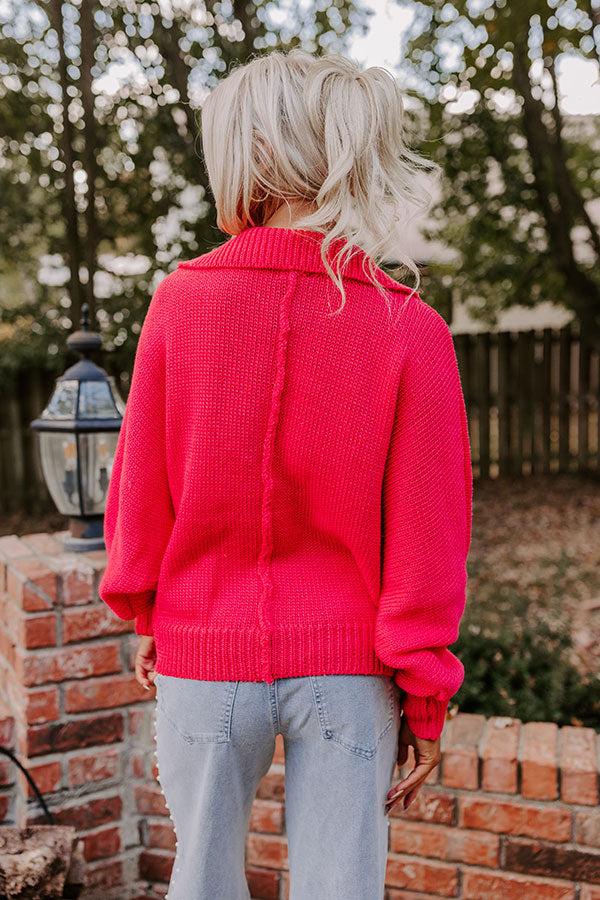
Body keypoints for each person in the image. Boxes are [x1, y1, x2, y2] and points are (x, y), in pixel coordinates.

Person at [98, 48, 473, 900]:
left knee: (200, 883)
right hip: (350, 670)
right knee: (343, 888)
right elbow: (429, 536)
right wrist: (425, 693)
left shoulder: (179, 303)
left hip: (202, 655)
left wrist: (150, 610)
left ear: (246, 155)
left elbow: (141, 490)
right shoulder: (410, 328)